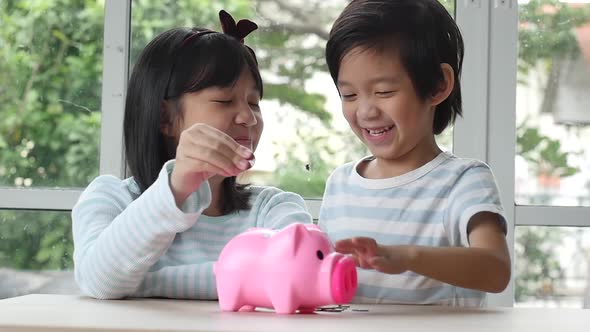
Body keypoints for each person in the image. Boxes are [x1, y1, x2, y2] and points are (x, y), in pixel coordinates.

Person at [72, 10, 312, 300]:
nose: (249, 118)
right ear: (166, 118)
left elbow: (302, 274)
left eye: (254, 103)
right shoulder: (109, 199)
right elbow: (99, 282)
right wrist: (178, 185)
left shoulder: (273, 208)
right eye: (224, 100)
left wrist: (147, 282)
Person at [319, 0, 511, 306]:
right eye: (349, 95)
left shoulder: (463, 180)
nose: (366, 111)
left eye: (384, 92)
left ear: (437, 85)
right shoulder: (340, 184)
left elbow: (496, 270)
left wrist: (405, 256)